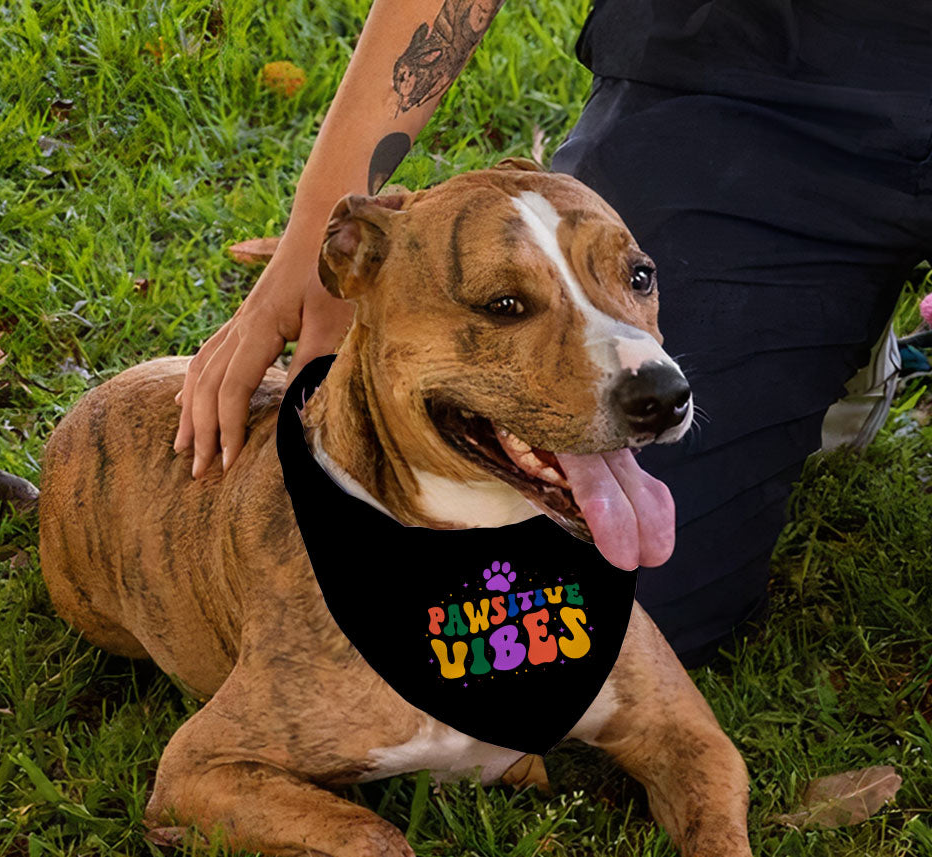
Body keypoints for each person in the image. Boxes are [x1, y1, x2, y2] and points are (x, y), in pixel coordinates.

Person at [173, 0, 932, 666]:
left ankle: (833, 328)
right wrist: (324, 242)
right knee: (589, 610)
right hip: (744, 74)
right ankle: (834, 331)